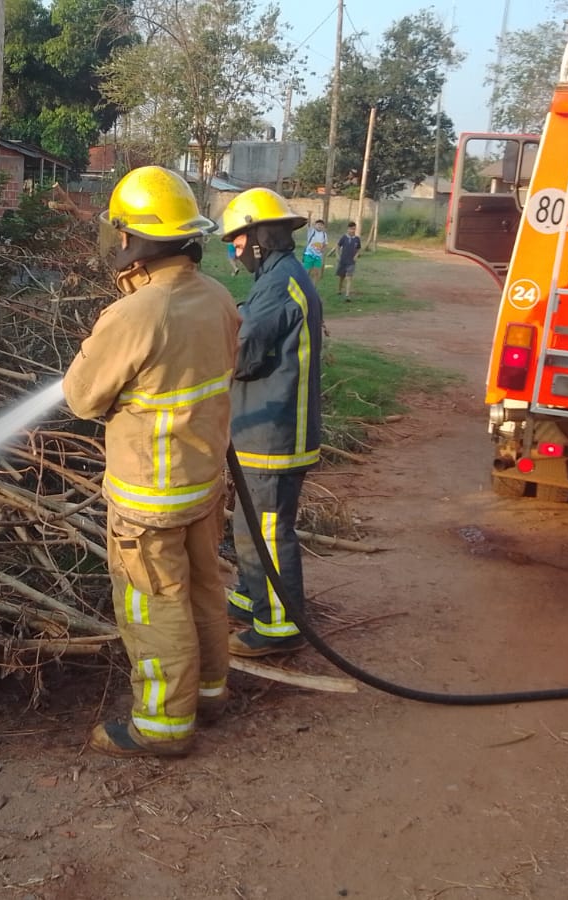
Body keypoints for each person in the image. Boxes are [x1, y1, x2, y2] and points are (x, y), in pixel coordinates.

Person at [63, 166, 242, 758]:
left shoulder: (139, 313)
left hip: (149, 499)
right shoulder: (216, 298)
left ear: (135, 241)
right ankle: (210, 696)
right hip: (202, 484)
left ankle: (162, 726)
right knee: (203, 592)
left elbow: (83, 397)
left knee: (152, 604)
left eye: (122, 233)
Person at [218, 187, 323, 658]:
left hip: (275, 432)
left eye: (238, 241)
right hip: (262, 428)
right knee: (249, 523)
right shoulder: (277, 277)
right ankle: (251, 595)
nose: (235, 251)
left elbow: (241, 352)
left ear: (259, 237)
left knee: (267, 528)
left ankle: (280, 624)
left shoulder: (280, 282)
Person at [327, 221, 362, 301]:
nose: (352, 231)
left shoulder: (357, 239)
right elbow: (337, 246)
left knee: (349, 277)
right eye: (351, 229)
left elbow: (359, 248)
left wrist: (356, 255)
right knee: (341, 277)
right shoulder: (344, 238)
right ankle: (339, 290)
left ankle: (347, 295)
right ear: (348, 229)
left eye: (354, 229)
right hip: (343, 261)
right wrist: (337, 255)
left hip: (351, 262)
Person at [302, 218, 328, 287]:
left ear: (323, 226)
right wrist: (310, 215)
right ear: (315, 225)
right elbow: (308, 224)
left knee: (316, 273)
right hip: (309, 254)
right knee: (307, 271)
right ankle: (304, 286)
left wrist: (323, 249)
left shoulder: (324, 234)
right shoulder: (312, 231)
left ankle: (313, 287)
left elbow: (325, 244)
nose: (320, 226)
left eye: (321, 225)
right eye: (318, 224)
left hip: (318, 256)